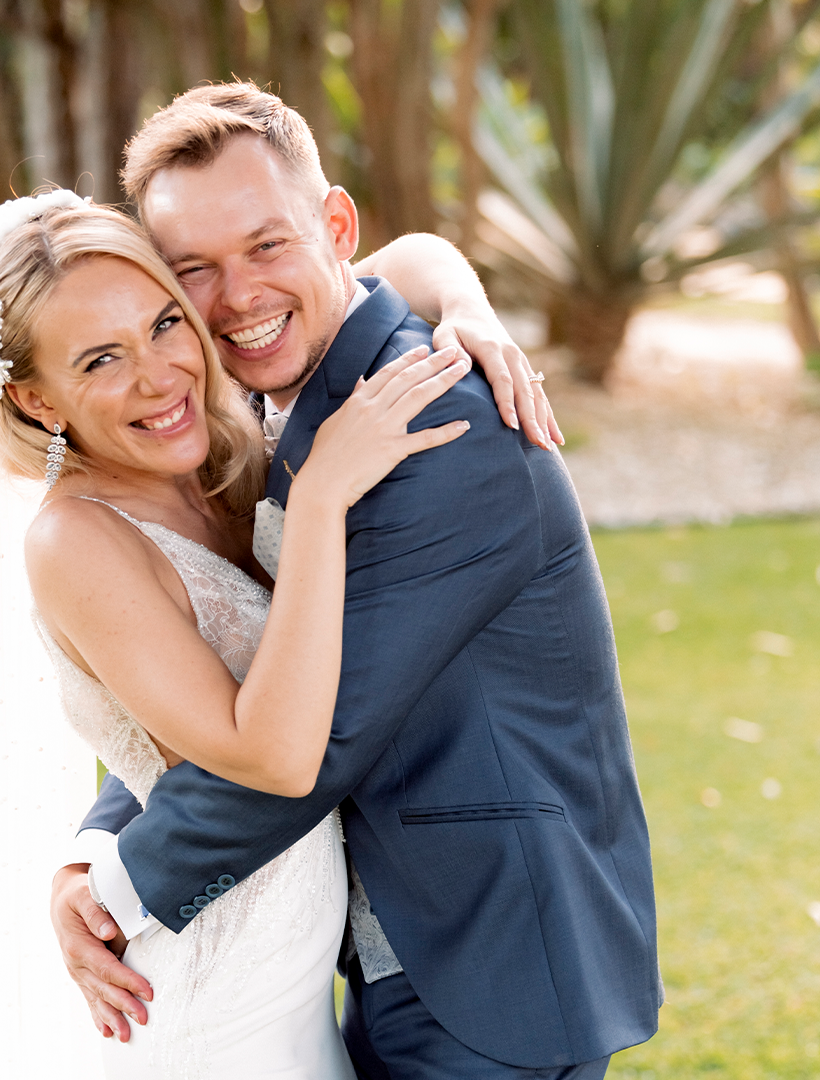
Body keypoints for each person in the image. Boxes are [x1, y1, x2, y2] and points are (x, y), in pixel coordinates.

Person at [0, 175, 539, 1077]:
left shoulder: (226, 446)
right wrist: (325, 494)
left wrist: (466, 303)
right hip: (211, 996)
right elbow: (277, 757)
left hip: (304, 984)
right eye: (99, 361)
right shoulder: (75, 541)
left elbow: (398, 260)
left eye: (164, 323)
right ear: (36, 402)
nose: (158, 374)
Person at [52, 83, 661, 1079]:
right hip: (381, 947)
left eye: (266, 246)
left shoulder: (438, 425)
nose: (238, 294)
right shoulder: (277, 409)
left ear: (335, 224)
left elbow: (314, 739)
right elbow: (227, 671)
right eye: (194, 269)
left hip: (491, 954)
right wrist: (91, 844)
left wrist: (115, 895)